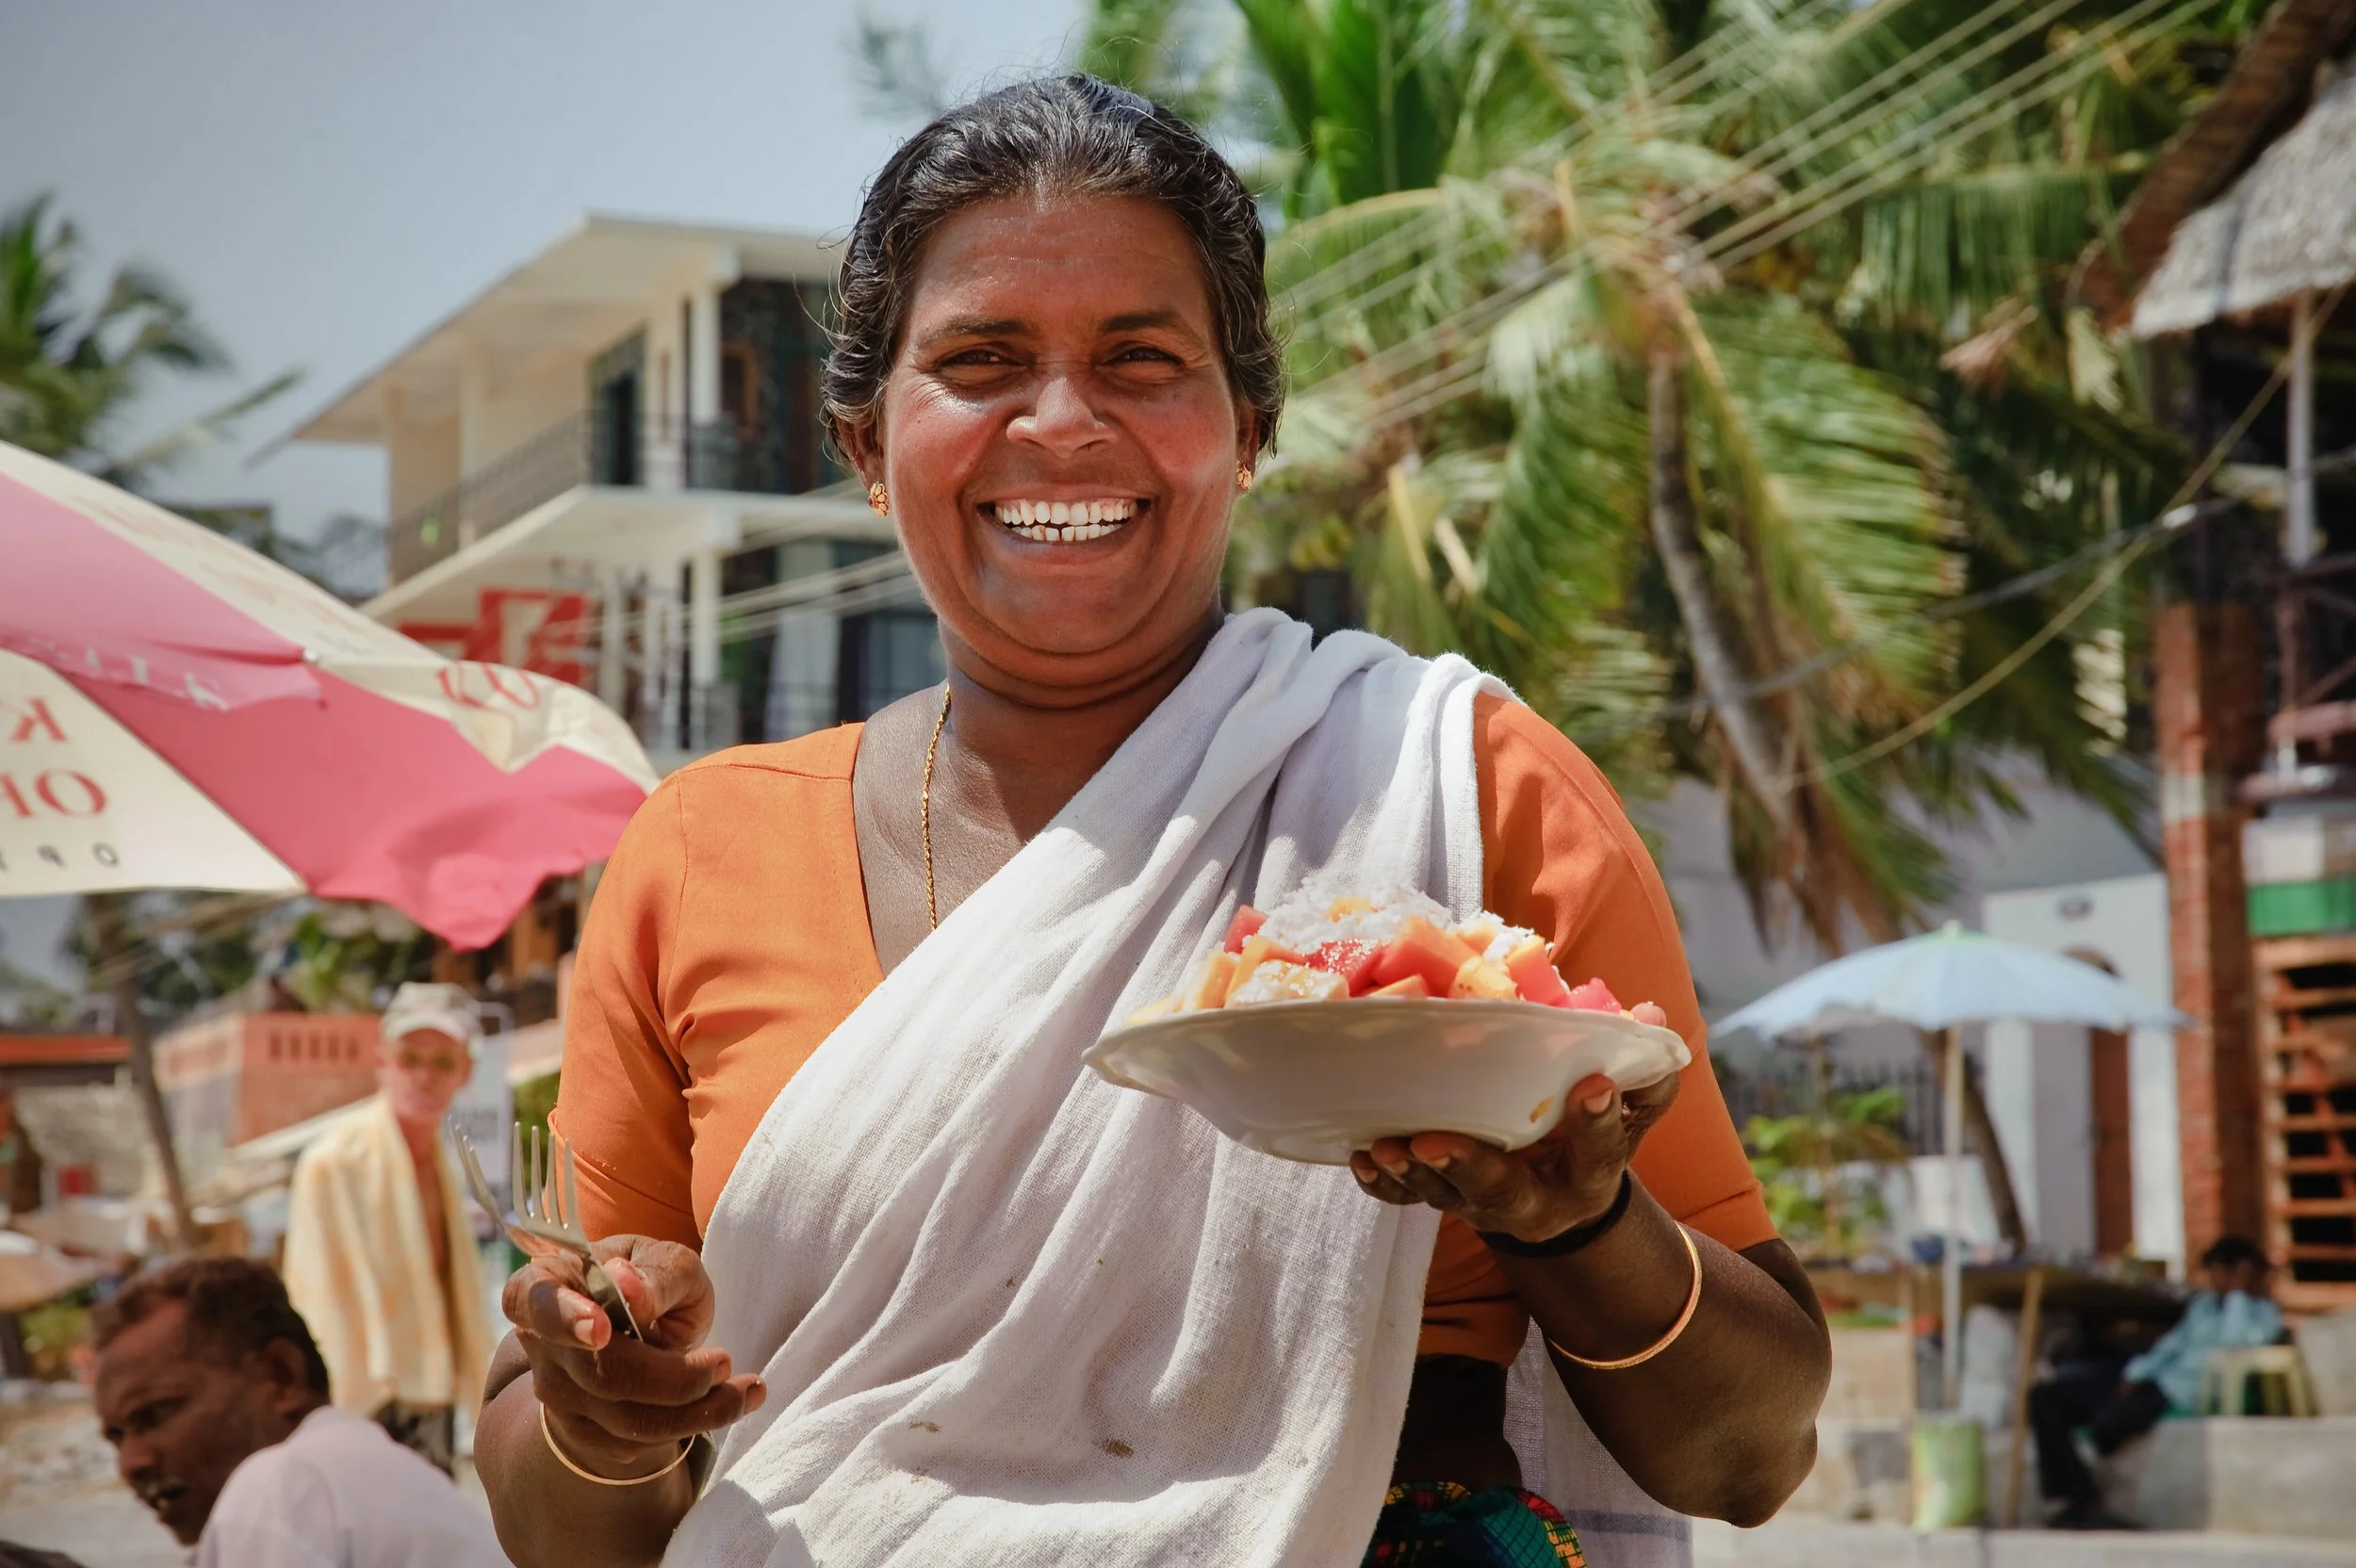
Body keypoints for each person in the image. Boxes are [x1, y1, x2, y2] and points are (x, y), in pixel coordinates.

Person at [477, 74, 1831, 1568]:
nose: (1062, 424)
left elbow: (1753, 1454)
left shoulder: (1461, 792)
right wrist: (605, 1410)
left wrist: (1575, 1224)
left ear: (1247, 426)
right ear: (866, 445)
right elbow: (568, 1532)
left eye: (1142, 358)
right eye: (983, 360)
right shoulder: (699, 854)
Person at [89, 1255, 507, 1567]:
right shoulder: (359, 1471)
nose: (131, 1463)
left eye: (156, 1415)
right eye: (117, 1437)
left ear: (281, 1376)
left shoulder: (282, 1483)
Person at [281, 981, 493, 1474]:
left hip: (432, 1396)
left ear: (466, 1072)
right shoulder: (331, 1163)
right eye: (409, 1058)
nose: (424, 1076)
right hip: (360, 1399)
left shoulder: (446, 1163)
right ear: (383, 1062)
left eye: (443, 1062)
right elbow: (314, 1299)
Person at [2028, 1235, 2285, 1528]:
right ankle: (2068, 1497)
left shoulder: (2264, 1315)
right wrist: (2135, 1373)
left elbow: (2234, 1344)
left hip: (2176, 1392)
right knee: (2045, 1396)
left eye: (2220, 1272)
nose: (2214, 1281)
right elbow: (2171, 1345)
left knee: (2107, 1425)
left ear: (2241, 1271)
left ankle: (2084, 1502)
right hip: (2151, 1377)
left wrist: (2239, 1295)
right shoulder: (2203, 1306)